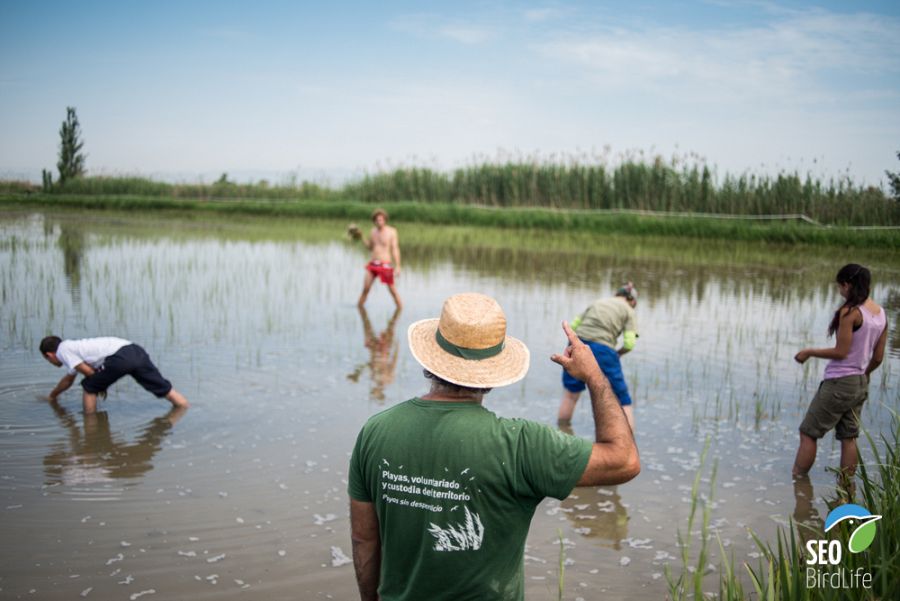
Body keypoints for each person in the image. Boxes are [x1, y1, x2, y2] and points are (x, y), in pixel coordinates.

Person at [348, 293, 640, 600]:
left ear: (432, 356)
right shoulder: (520, 444)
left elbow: (364, 539)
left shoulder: (375, 432)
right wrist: (594, 375)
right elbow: (624, 459)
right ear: (493, 369)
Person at [792, 264, 888, 480]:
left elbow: (841, 351)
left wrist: (809, 352)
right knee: (849, 437)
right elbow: (879, 357)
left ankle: (797, 481)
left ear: (848, 285)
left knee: (808, 432)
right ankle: (846, 488)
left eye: (840, 287)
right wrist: (863, 373)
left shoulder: (850, 312)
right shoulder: (881, 314)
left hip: (839, 382)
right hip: (860, 383)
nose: (840, 291)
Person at [558, 282, 639, 430]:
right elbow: (629, 343)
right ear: (632, 301)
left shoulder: (598, 302)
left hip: (578, 344)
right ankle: (629, 444)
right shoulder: (628, 310)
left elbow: (573, 326)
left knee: (570, 393)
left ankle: (563, 431)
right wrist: (617, 354)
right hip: (604, 349)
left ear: (617, 295)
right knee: (622, 399)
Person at [39, 335, 190, 414]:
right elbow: (68, 380)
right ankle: (184, 408)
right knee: (163, 388)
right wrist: (53, 396)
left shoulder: (63, 350)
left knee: (89, 387)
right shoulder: (73, 348)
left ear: (49, 355)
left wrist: (99, 385)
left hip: (119, 357)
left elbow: (88, 372)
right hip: (135, 350)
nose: (52, 362)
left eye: (48, 360)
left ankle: (91, 426)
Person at [356, 208, 402, 309]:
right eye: (377, 220)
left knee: (393, 291)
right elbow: (370, 247)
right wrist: (361, 237)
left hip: (385, 264)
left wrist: (398, 266)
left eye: (381, 219)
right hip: (373, 264)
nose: (379, 222)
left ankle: (400, 309)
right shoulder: (373, 232)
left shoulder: (392, 232)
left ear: (385, 220)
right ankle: (359, 309)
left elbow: (395, 249)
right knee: (365, 289)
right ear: (374, 221)